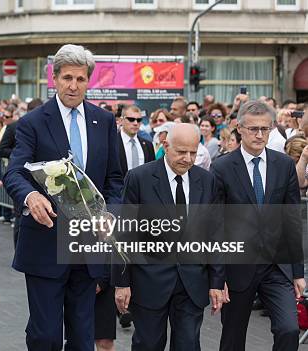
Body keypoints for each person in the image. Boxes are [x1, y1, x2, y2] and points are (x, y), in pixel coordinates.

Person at [3, 44, 123, 351]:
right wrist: (30, 196)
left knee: (83, 337)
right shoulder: (33, 122)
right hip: (45, 243)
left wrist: (110, 212)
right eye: (67, 77)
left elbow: (115, 178)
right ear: (54, 78)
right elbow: (14, 172)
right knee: (45, 335)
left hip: (89, 246)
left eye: (80, 79)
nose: (73, 85)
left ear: (88, 81)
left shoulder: (105, 121)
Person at [113, 123, 225, 351]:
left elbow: (215, 234)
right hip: (149, 281)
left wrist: (216, 282)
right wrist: (121, 282)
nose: (188, 158)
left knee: (188, 345)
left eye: (193, 152)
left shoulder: (206, 181)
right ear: (165, 145)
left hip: (192, 282)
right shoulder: (139, 178)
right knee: (148, 345)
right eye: (181, 152)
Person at [212, 100, 305, 351]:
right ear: (239, 128)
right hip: (237, 267)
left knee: (289, 329)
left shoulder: (284, 164)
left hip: (277, 266)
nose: (259, 134)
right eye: (253, 129)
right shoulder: (221, 168)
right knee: (232, 338)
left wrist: (298, 271)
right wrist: (218, 277)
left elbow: (292, 219)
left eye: (265, 129)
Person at [117, 105, 155, 177]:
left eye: (139, 120)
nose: (135, 123)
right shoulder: (112, 143)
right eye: (131, 119)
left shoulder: (148, 145)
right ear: (121, 121)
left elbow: (152, 172)